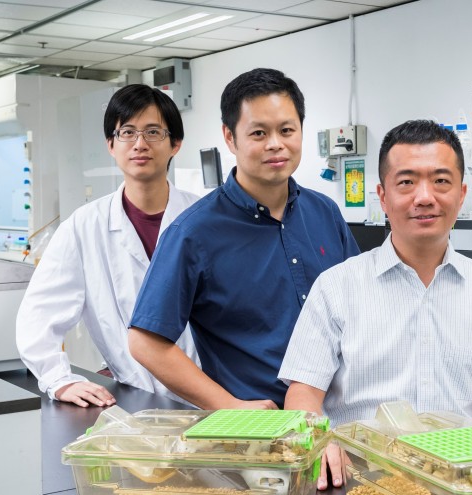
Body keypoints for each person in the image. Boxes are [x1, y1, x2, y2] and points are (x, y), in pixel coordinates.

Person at [281, 120, 472, 490]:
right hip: (359, 488)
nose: (425, 197)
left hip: (464, 488)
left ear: (462, 193)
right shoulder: (337, 287)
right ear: (383, 195)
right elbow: (303, 392)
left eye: (441, 181)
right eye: (406, 182)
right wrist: (318, 442)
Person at [128, 68, 359, 411]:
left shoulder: (324, 212)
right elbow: (145, 342)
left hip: (342, 416)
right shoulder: (194, 232)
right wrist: (230, 406)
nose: (275, 144)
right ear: (230, 137)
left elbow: (359, 306)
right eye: (259, 133)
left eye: (286, 130)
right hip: (259, 433)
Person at [16, 84, 198, 407]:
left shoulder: (206, 219)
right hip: (134, 402)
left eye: (153, 131)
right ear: (111, 145)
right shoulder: (82, 228)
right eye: (127, 132)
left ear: (176, 144)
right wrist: (59, 380)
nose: (140, 144)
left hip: (212, 401)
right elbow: (37, 316)